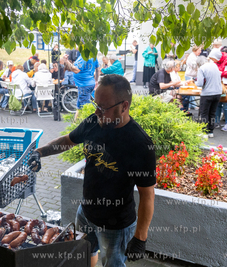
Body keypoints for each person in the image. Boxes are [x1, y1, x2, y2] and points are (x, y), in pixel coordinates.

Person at [27, 74, 155, 267]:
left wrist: (140, 237)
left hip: (116, 225)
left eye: (103, 108)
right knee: (85, 256)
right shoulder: (94, 122)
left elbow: (147, 195)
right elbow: (66, 141)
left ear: (124, 106)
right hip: (85, 212)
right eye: (96, 104)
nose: (97, 111)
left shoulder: (139, 144)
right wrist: (39, 152)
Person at [64, 54, 100, 120]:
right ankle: (75, 123)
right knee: (79, 107)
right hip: (89, 83)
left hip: (84, 85)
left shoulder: (84, 57)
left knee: (85, 108)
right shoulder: (93, 55)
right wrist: (96, 80)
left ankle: (87, 125)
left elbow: (76, 70)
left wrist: (66, 61)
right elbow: (97, 68)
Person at [195, 55, 222, 138]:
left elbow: (199, 83)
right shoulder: (214, 65)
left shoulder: (201, 68)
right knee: (212, 113)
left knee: (204, 113)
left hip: (207, 94)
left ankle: (204, 132)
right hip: (217, 93)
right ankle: (211, 131)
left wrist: (194, 82)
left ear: (199, 63)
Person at [211, 48, 227, 131]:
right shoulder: (218, 61)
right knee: (218, 104)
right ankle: (216, 122)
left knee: (226, 104)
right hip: (220, 85)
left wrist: (222, 73)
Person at [184, 45, 202, 111]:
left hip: (193, 75)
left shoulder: (195, 56)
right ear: (195, 50)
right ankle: (191, 105)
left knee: (193, 91)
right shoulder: (192, 57)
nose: (200, 51)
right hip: (190, 75)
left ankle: (192, 105)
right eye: (199, 50)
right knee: (191, 91)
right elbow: (195, 67)